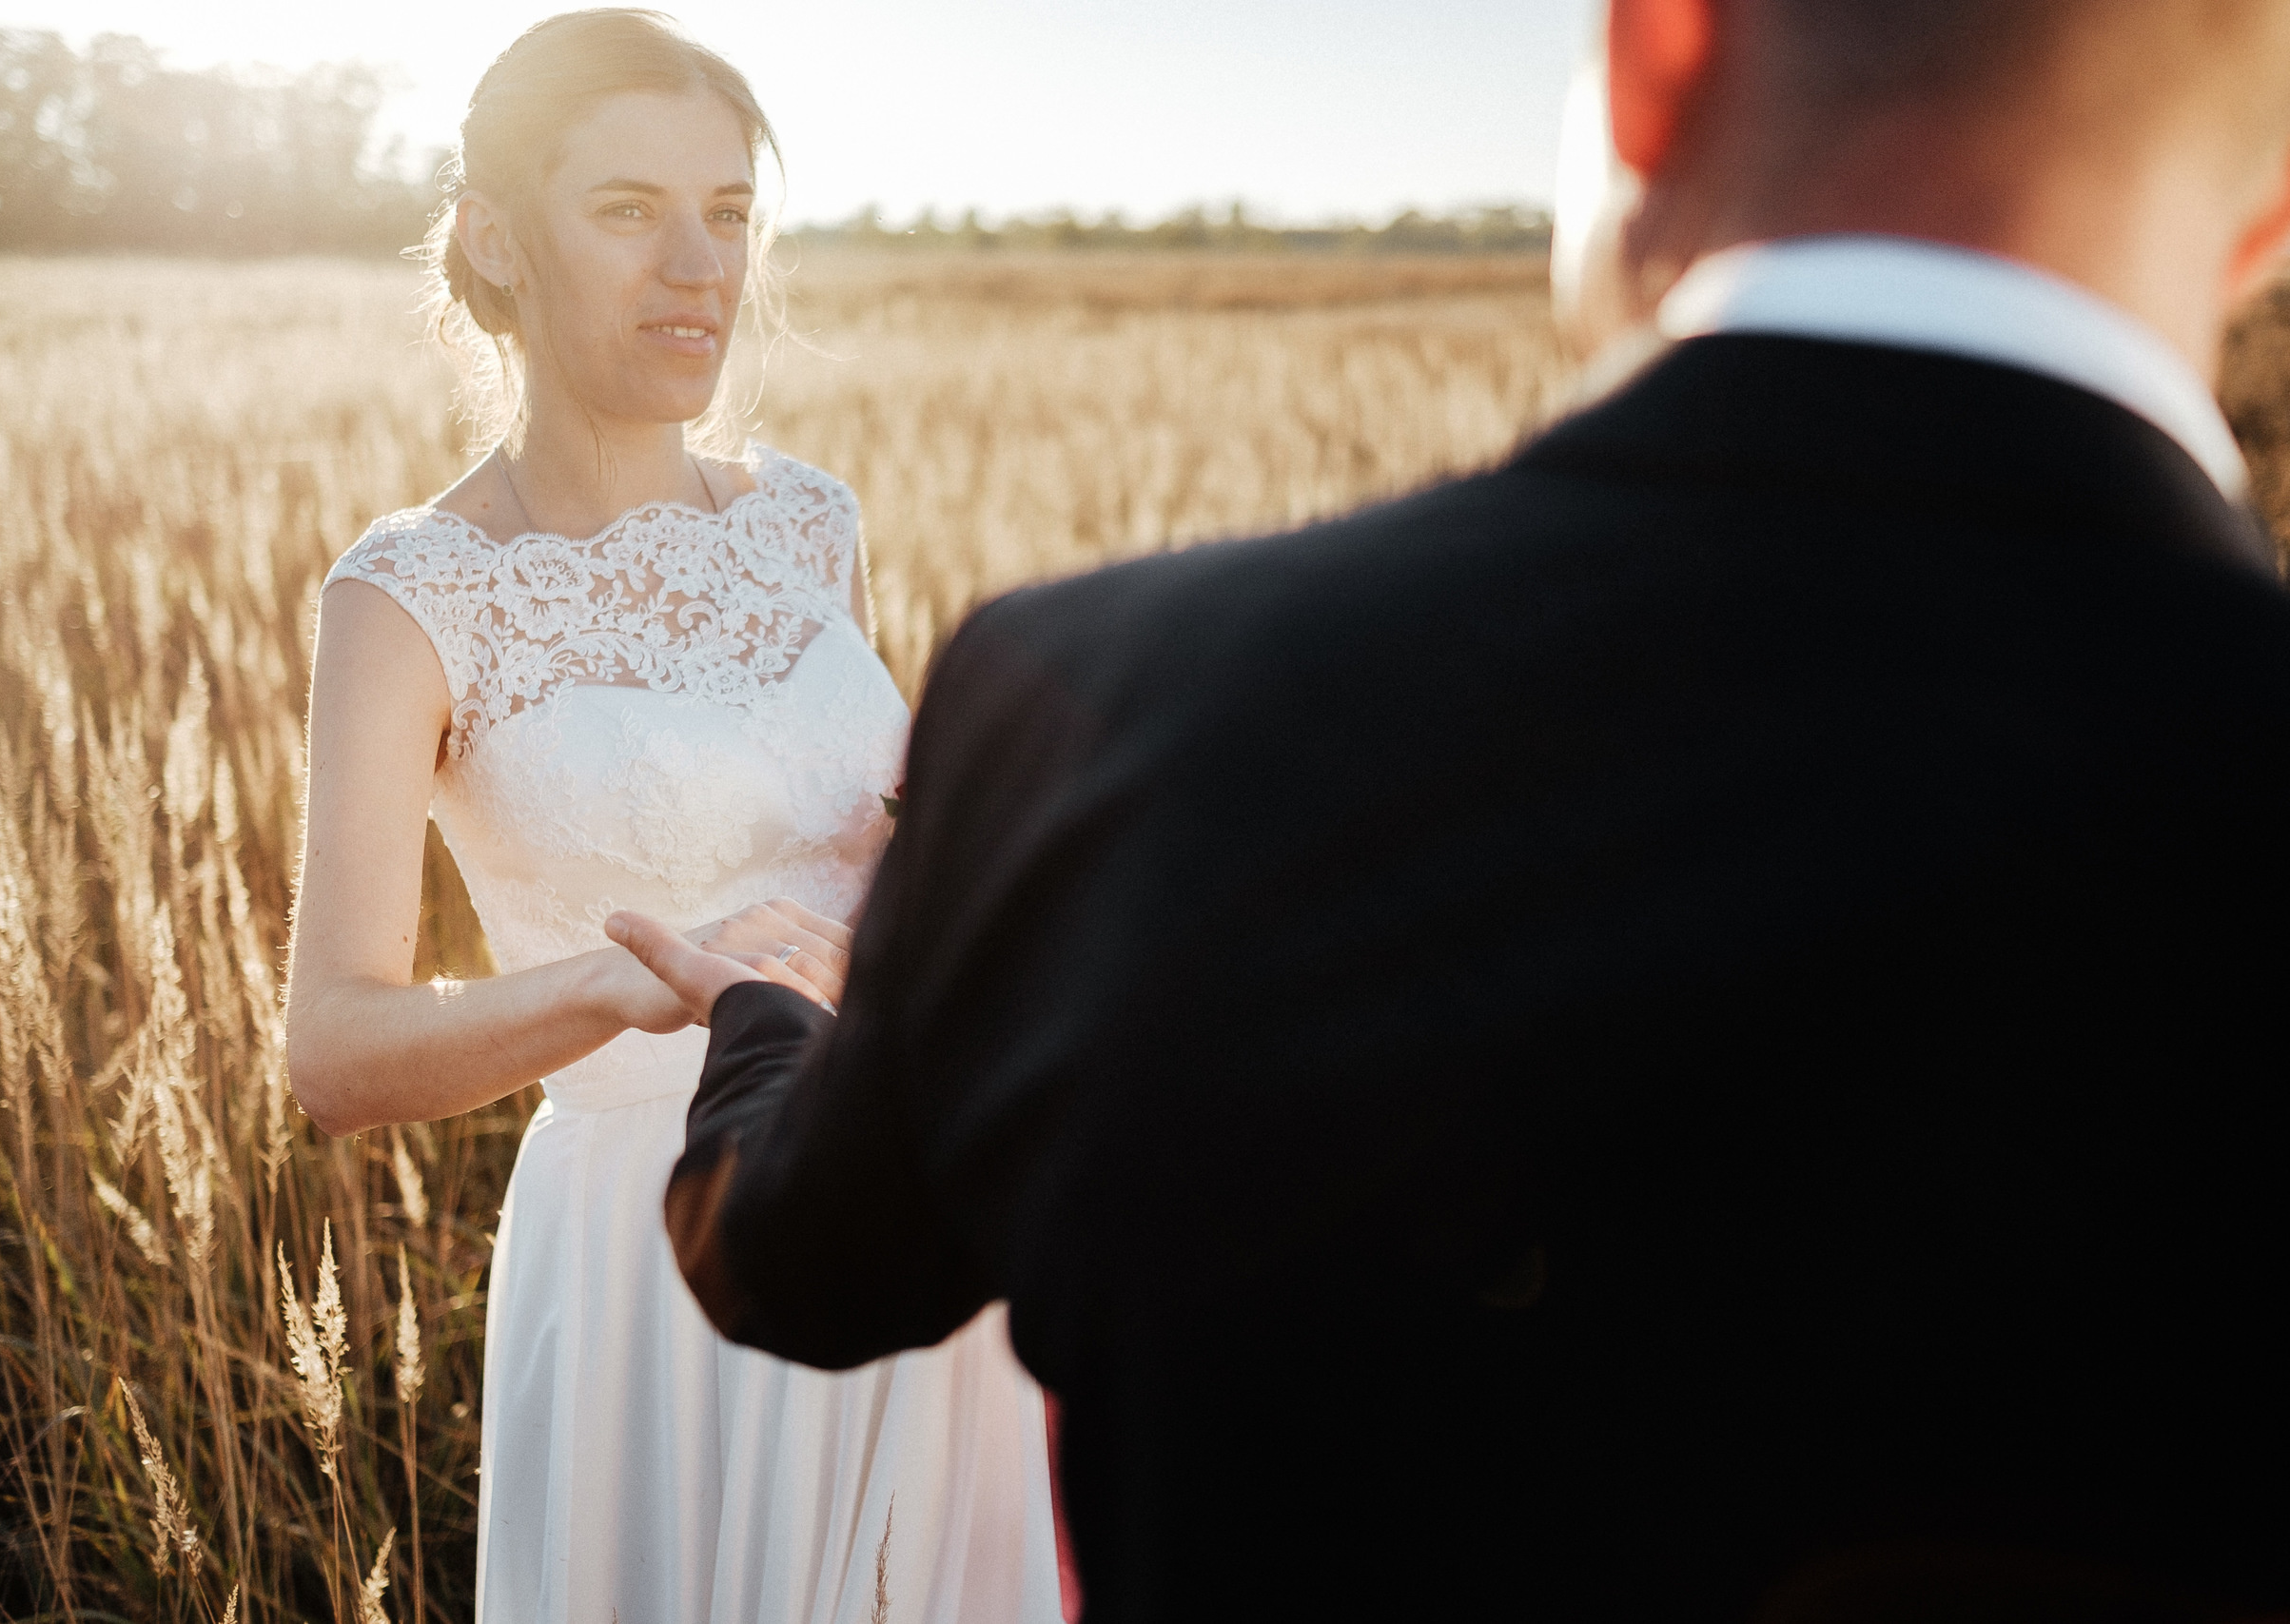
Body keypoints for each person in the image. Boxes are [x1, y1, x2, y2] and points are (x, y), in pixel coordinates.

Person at [610, 1, 2290, 1618]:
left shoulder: (1106, 694)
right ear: (2271, 204)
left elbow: (804, 1266)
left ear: (1659, 55)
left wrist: (773, 1017)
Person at [282, 11, 1057, 1621]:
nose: (698, 265)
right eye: (629, 209)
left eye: (728, 210)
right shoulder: (412, 595)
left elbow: (867, 847)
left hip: (894, 1189)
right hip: (655, 1253)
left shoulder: (808, 523)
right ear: (496, 241)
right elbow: (333, 1055)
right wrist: (611, 985)